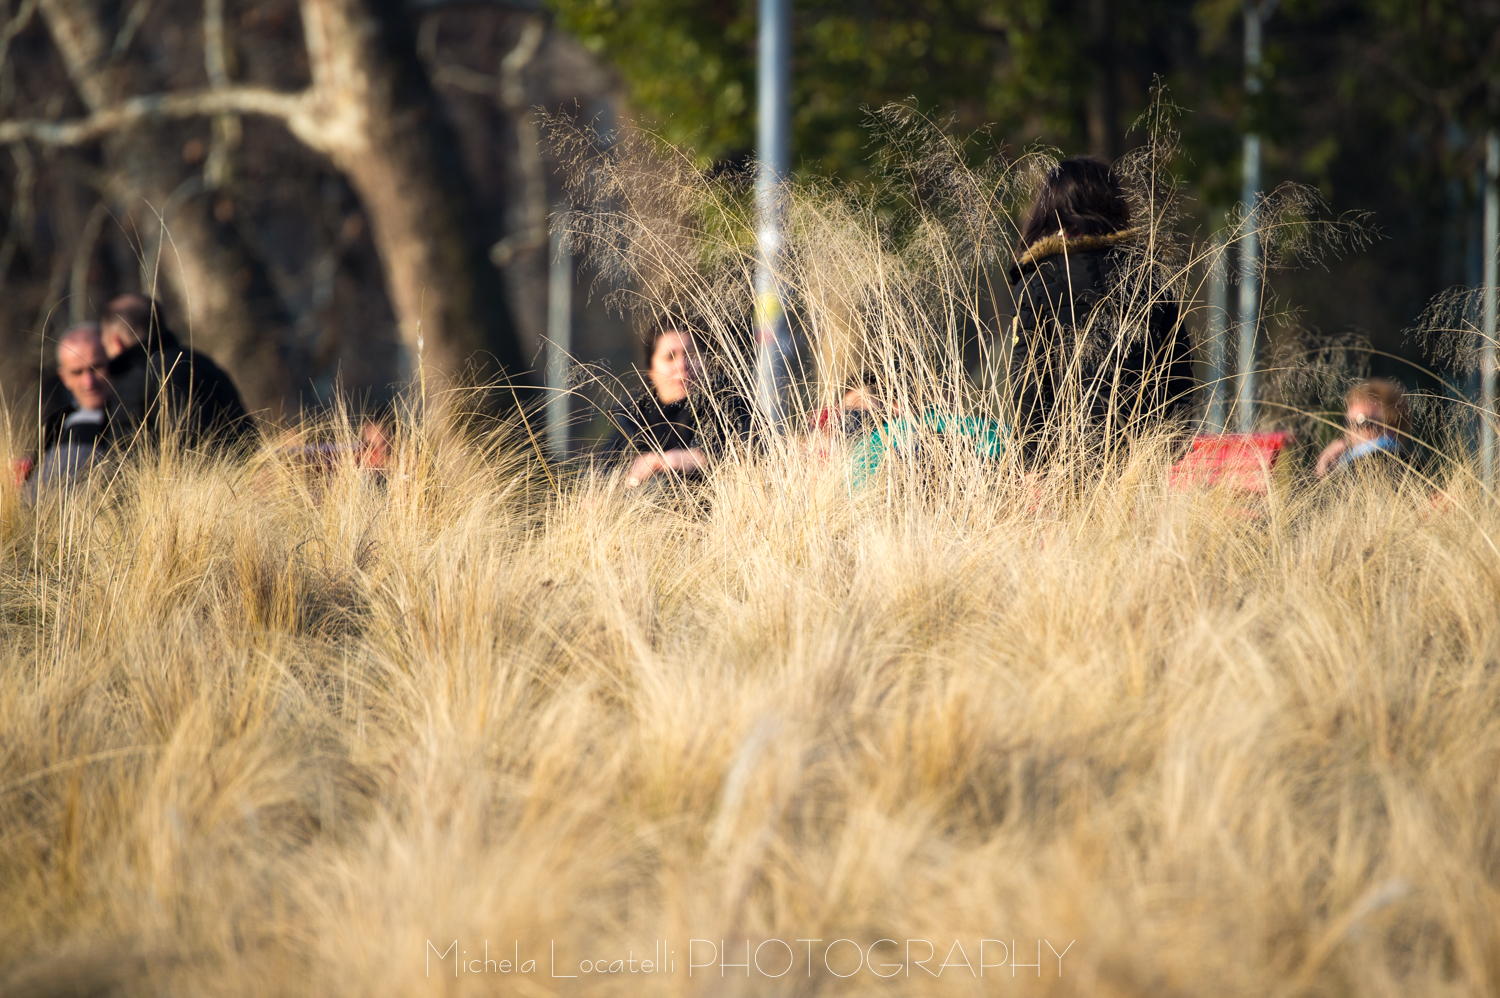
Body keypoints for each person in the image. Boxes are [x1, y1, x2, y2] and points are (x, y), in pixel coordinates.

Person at [1006, 157, 1194, 464]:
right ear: (1114, 205)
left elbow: (1030, 385)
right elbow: (1179, 369)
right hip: (1143, 458)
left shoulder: (1038, 281)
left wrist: (1030, 464)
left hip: (1066, 460)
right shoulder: (1151, 275)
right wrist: (1172, 446)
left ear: (1051, 209)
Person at [604, 317, 753, 487]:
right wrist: (632, 474)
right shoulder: (632, 418)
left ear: (707, 362)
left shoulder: (731, 403)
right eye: (669, 357)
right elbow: (598, 477)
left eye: (691, 354)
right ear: (650, 370)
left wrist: (701, 458)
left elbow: (761, 450)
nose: (682, 364)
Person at [99, 294, 252, 450]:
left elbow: (187, 444)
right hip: (242, 467)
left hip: (183, 473)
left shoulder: (137, 379)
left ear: (117, 342)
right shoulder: (200, 361)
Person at [18, 323, 120, 484]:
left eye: (96, 368)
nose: (89, 382)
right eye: (77, 372)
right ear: (64, 377)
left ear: (113, 362)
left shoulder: (134, 414)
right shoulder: (56, 423)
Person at [1315, 378, 1410, 479]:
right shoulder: (1345, 463)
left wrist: (1324, 477)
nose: (1353, 429)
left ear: (1392, 425)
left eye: (1362, 421)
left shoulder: (1399, 466)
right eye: (1348, 422)